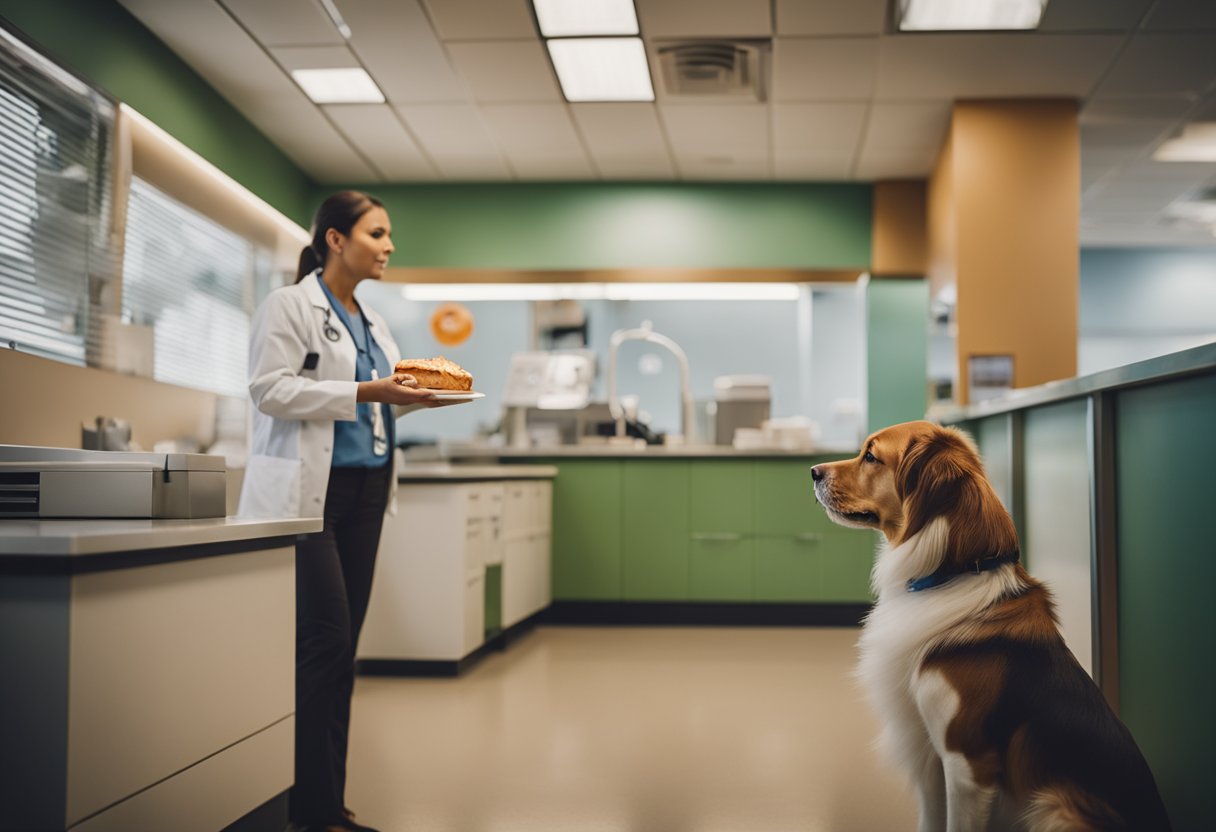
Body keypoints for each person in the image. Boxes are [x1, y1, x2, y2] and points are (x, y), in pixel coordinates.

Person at [239, 191, 460, 832]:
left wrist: (419, 400)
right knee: (326, 644)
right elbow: (268, 390)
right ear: (336, 239)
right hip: (313, 498)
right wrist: (369, 389)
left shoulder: (372, 320)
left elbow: (379, 401)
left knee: (344, 652)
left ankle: (325, 802)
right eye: (378, 233)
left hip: (367, 493)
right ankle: (307, 808)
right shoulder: (289, 306)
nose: (389, 246)